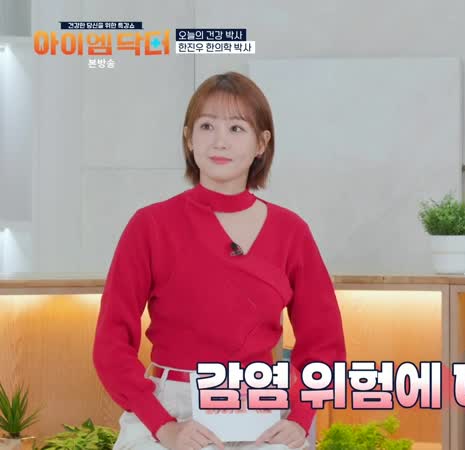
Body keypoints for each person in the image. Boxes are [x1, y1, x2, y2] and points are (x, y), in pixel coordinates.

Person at [93, 72, 346, 450]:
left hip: (260, 409)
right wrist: (164, 427)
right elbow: (111, 344)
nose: (219, 141)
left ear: (262, 143)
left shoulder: (291, 231)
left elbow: (324, 343)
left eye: (236, 128)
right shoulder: (150, 226)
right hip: (169, 411)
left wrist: (300, 418)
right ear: (188, 138)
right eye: (207, 126)